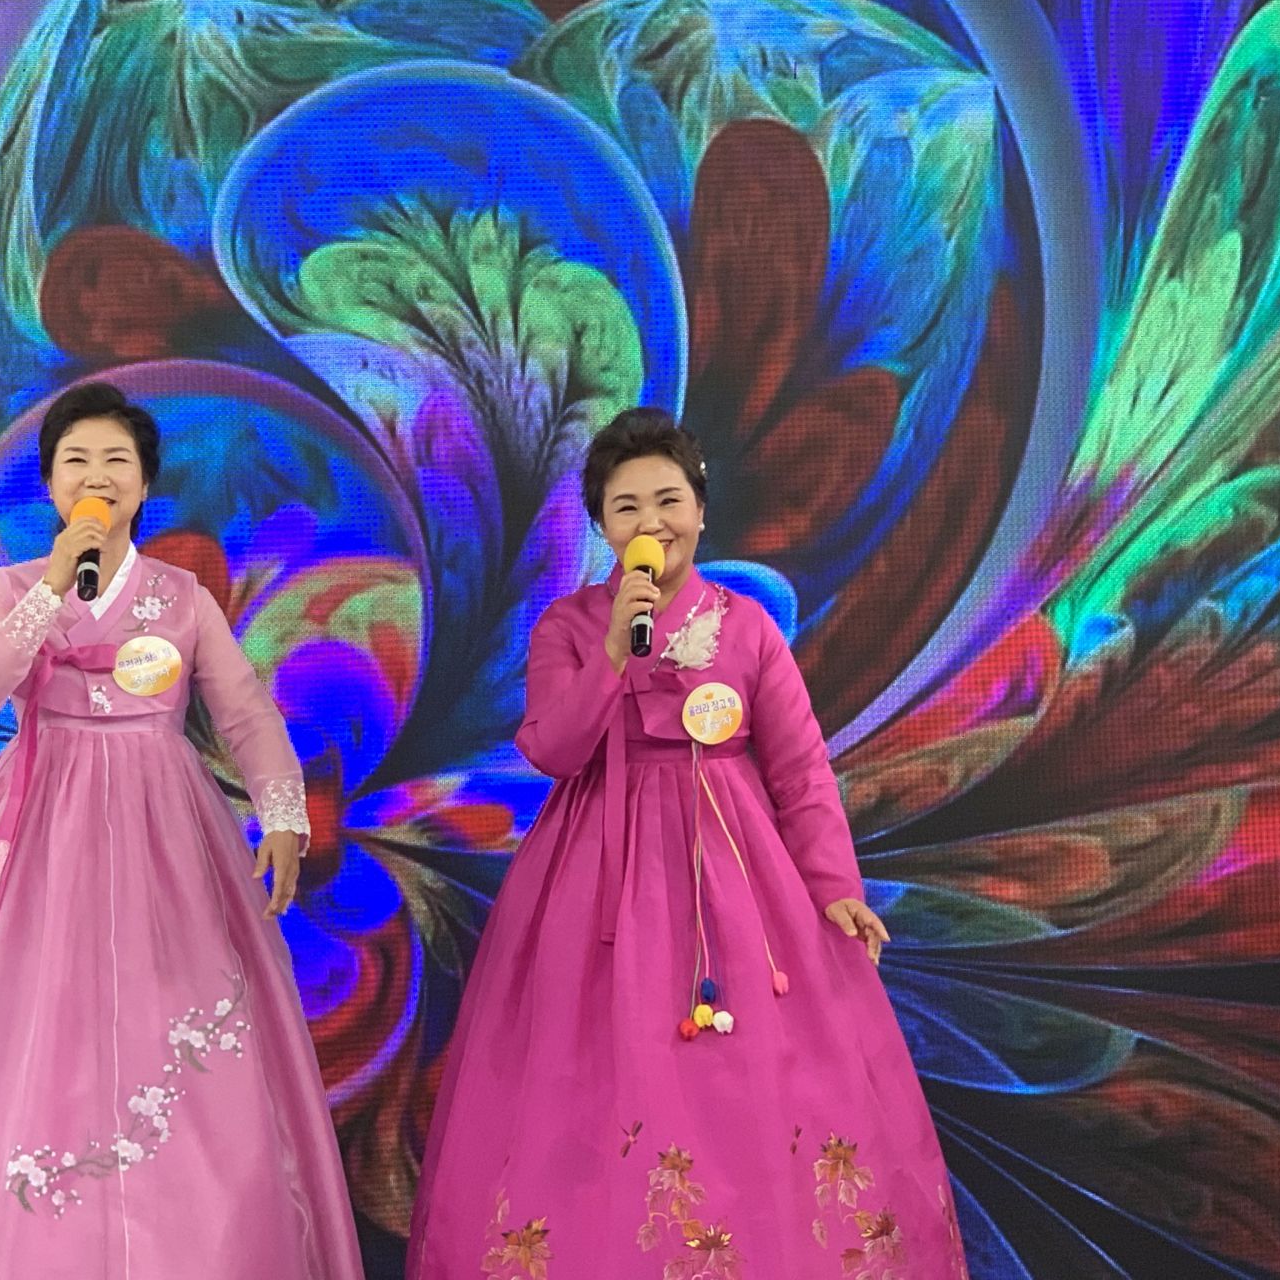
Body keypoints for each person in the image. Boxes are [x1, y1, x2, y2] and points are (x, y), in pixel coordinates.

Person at [0, 383, 364, 1279]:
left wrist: (283, 813)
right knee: (21, 1030)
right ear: (52, 485)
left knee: (169, 1024)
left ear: (143, 484)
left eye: (115, 461)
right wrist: (54, 585)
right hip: (36, 827)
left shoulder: (181, 597)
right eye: (76, 461)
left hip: (162, 830)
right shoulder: (14, 587)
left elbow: (247, 713)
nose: (96, 476)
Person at [408, 408, 967, 1279]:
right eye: (626, 506)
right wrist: (613, 655)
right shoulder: (568, 625)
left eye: (668, 500)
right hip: (596, 877)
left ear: (701, 511)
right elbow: (554, 749)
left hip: (739, 880)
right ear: (602, 525)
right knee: (597, 1079)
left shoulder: (748, 628)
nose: (651, 522)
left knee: (745, 1079)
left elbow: (801, 771)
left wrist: (834, 887)